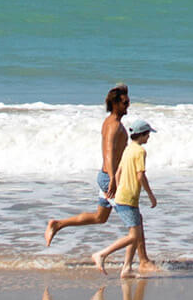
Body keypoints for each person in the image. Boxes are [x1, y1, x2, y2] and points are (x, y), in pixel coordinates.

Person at [41, 84, 132, 245]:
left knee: (100, 217)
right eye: (125, 103)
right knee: (135, 223)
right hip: (110, 178)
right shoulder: (114, 125)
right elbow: (109, 152)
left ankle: (58, 224)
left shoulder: (109, 122)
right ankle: (142, 258)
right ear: (115, 104)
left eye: (128, 102)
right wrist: (113, 179)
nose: (128, 105)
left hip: (106, 176)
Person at [91, 114, 158, 275]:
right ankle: (102, 254)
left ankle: (127, 268)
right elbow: (140, 176)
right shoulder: (140, 151)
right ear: (142, 135)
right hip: (129, 197)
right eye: (148, 134)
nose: (149, 137)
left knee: (135, 231)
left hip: (122, 195)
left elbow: (119, 172)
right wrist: (151, 195)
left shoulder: (127, 149)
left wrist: (118, 188)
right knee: (135, 235)